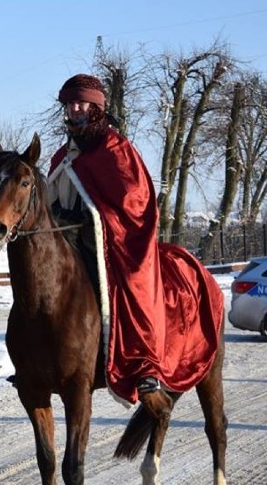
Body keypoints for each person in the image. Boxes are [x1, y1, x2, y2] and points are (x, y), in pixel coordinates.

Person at [46, 73, 225, 417]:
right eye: (70, 104)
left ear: (96, 108)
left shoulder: (116, 150)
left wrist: (91, 219)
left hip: (113, 245)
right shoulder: (62, 156)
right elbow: (50, 199)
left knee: (131, 285)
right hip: (70, 245)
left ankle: (145, 366)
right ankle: (36, 360)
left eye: (81, 103)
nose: (75, 109)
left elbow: (136, 202)